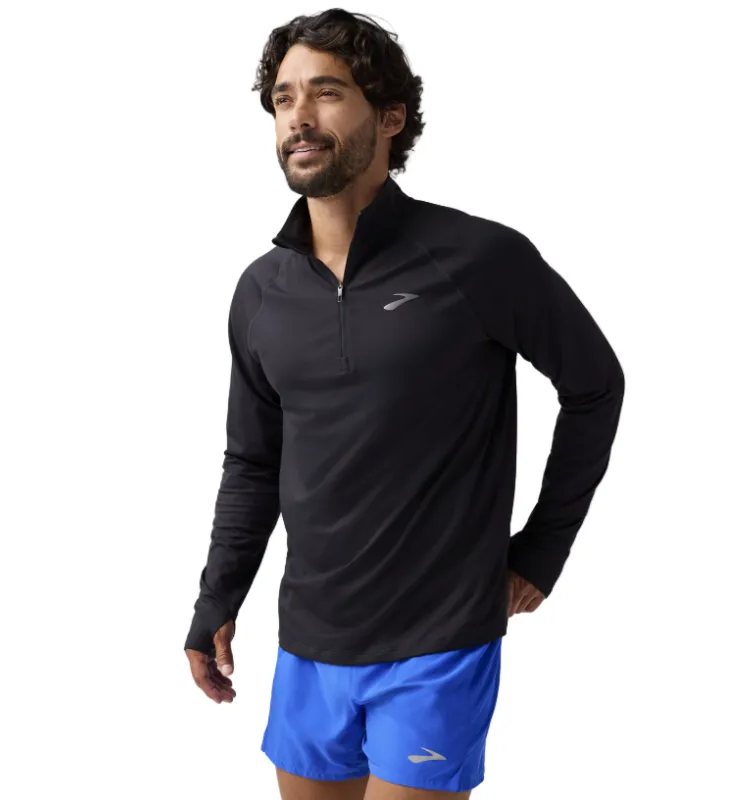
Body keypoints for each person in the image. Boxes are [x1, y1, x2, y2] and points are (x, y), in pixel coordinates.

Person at [184, 9, 625, 799]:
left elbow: (595, 385)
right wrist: (217, 598)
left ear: (390, 117)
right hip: (309, 641)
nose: (299, 116)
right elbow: (253, 460)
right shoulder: (261, 292)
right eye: (283, 98)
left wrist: (542, 551)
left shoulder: (479, 259)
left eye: (326, 92)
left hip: (437, 640)